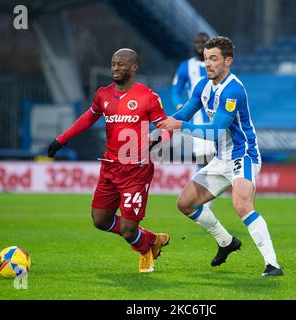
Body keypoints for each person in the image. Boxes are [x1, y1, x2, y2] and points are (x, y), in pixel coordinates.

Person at [158, 36, 283, 276]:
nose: (208, 64)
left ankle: (273, 264)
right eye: (206, 59)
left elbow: (216, 130)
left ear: (228, 61)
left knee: (241, 204)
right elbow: (185, 112)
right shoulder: (203, 86)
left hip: (242, 154)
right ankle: (227, 242)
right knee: (185, 203)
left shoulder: (233, 90)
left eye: (213, 59)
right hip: (221, 157)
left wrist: (178, 127)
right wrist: (161, 124)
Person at [47, 48, 170, 273]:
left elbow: (166, 128)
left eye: (121, 64)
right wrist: (61, 139)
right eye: (113, 64)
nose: (115, 68)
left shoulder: (148, 97)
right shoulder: (103, 94)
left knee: (128, 230)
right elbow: (88, 118)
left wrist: (156, 138)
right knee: (100, 220)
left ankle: (145, 253)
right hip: (111, 167)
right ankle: (153, 239)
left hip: (137, 170)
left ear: (134, 67)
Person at [172, 32, 216, 203]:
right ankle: (203, 202)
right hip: (198, 122)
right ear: (192, 44)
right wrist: (179, 106)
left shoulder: (216, 64)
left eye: (204, 42)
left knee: (218, 160)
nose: (200, 44)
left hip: (218, 120)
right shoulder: (185, 66)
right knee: (203, 160)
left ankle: (206, 200)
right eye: (197, 41)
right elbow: (176, 90)